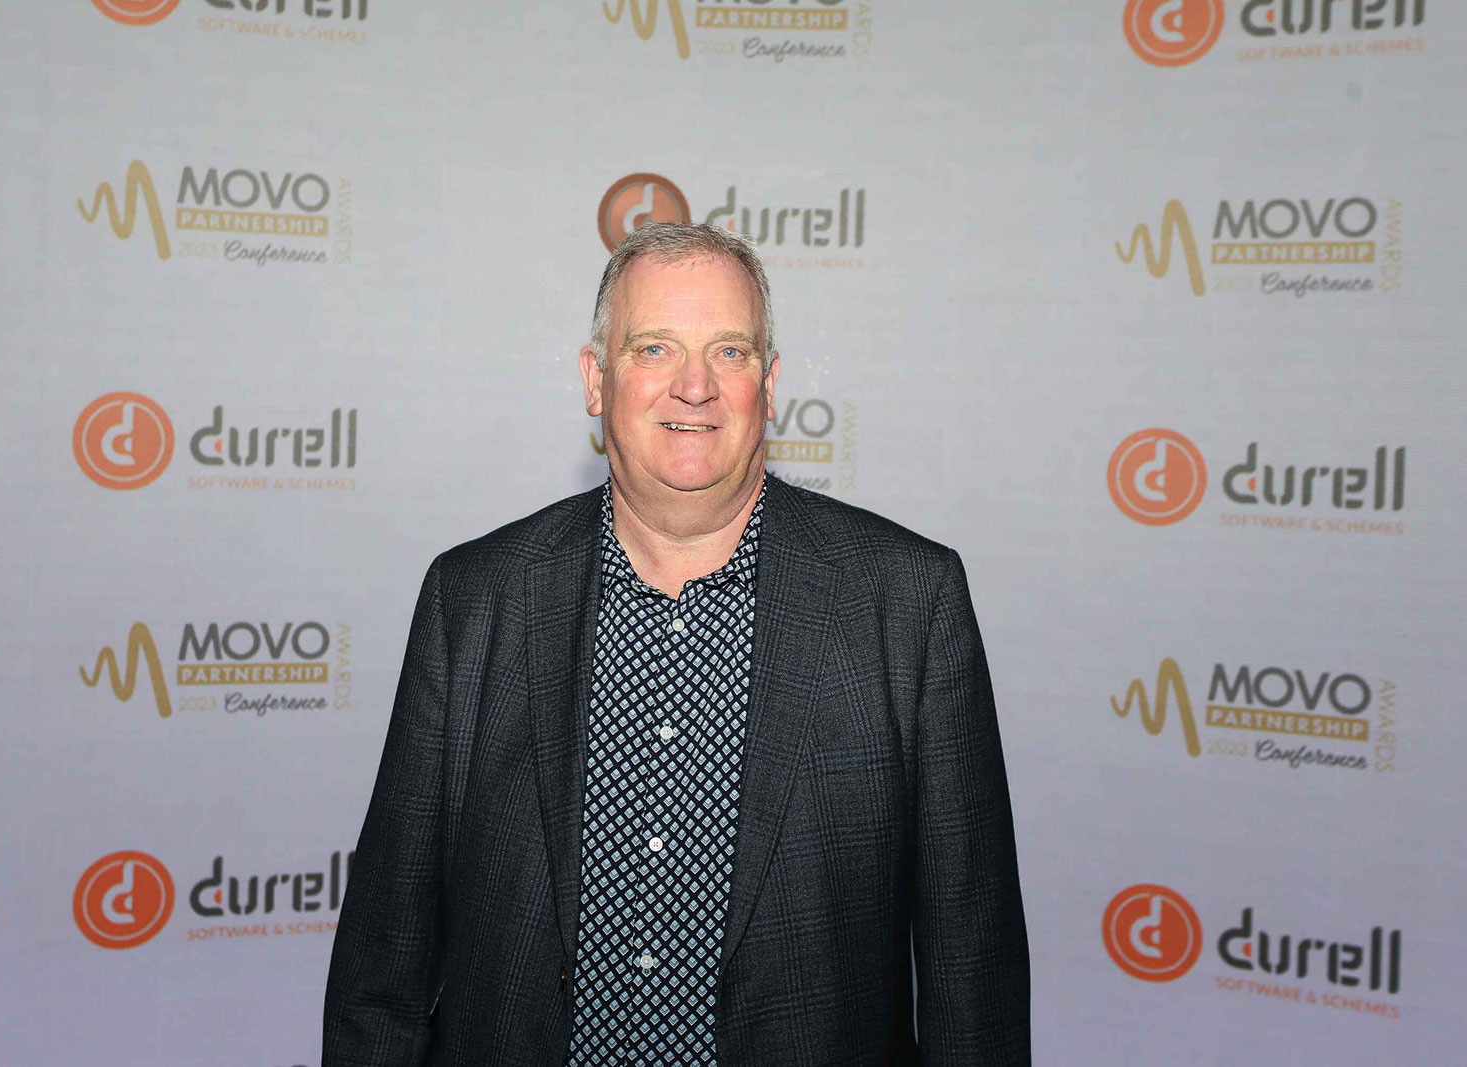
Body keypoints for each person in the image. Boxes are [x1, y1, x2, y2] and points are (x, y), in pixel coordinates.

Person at [323, 223, 1030, 1066]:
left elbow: (971, 974)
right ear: (596, 379)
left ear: (769, 384)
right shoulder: (474, 597)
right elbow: (384, 964)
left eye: (729, 352)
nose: (694, 387)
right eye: (654, 347)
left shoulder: (909, 602)